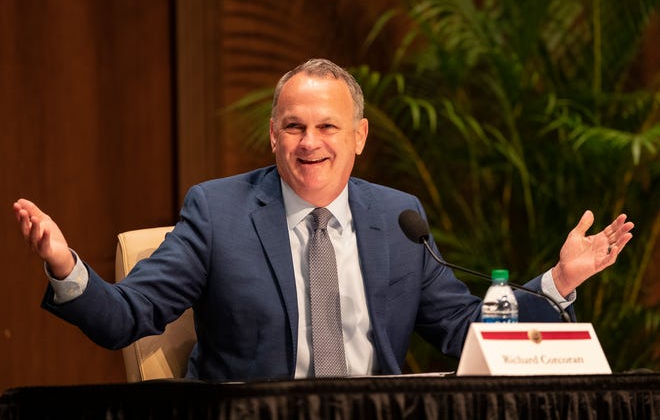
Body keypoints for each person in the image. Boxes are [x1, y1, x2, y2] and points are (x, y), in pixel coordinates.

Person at [14, 58, 634, 381]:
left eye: (327, 126)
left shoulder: (398, 217)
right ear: (273, 138)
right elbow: (128, 317)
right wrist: (66, 267)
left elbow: (465, 332)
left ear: (359, 136)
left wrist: (557, 282)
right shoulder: (218, 211)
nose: (310, 142)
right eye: (294, 126)